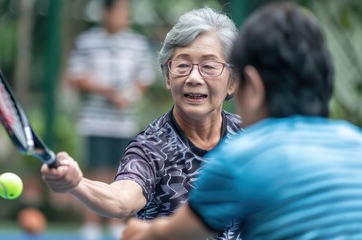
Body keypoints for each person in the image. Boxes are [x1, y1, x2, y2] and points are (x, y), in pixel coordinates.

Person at [121, 2, 362, 240]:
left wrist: (142, 233)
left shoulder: (242, 156)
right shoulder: (356, 144)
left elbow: (179, 232)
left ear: (250, 85)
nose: (194, 77)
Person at [42, 6, 242, 240]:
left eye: (209, 66)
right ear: (167, 76)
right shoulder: (150, 147)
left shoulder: (252, 139)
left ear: (232, 82)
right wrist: (76, 183)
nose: (194, 78)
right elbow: (121, 199)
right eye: (182, 65)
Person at [62, 0, 155, 238]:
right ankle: (91, 228)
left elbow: (144, 78)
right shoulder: (87, 41)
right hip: (95, 120)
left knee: (125, 172)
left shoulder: (137, 44)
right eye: (119, 11)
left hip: (125, 121)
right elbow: (76, 76)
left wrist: (128, 96)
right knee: (95, 170)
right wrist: (108, 92)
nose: (124, 16)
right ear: (105, 13)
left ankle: (117, 226)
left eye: (126, 12)